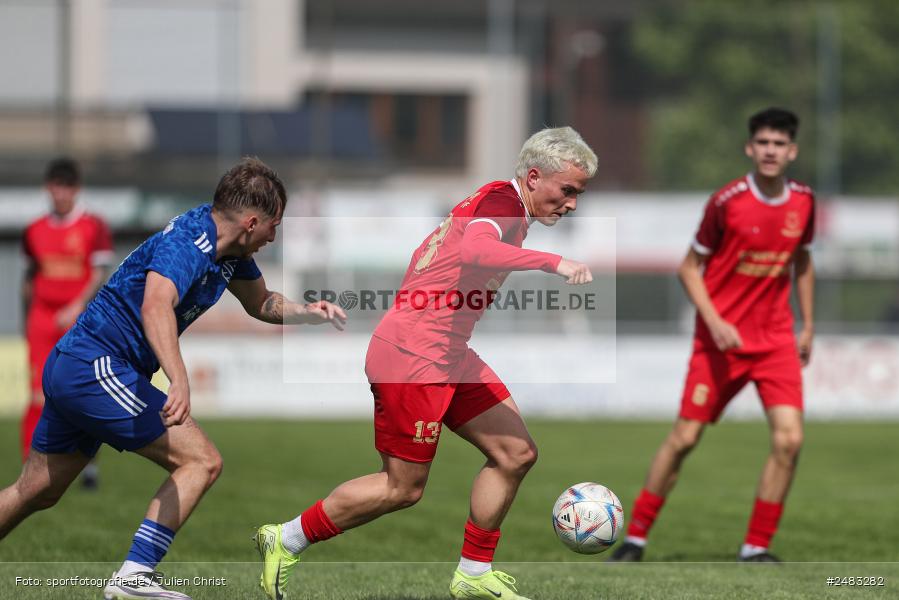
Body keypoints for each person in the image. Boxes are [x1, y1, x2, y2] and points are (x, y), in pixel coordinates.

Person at [254, 127, 598, 600]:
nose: (572, 203)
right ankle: (286, 537)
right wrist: (550, 262)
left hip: (447, 352)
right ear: (534, 177)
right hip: (414, 355)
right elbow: (477, 249)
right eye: (568, 191)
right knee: (402, 489)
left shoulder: (505, 206)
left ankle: (473, 575)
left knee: (515, 454)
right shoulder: (502, 202)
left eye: (578, 194)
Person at [0, 158, 346, 600]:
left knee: (35, 491)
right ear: (252, 222)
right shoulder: (189, 242)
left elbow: (261, 302)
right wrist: (178, 381)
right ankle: (134, 577)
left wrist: (307, 312)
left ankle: (133, 577)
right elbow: (155, 305)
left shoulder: (232, 251)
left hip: (78, 365)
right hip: (95, 366)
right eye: (274, 227)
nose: (274, 237)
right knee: (201, 460)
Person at [608, 108, 815, 563]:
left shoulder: (804, 202)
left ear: (792, 151)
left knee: (789, 440)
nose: (770, 151)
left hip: (776, 340)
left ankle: (756, 547)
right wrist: (716, 321)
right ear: (750, 147)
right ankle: (635, 538)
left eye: (779, 144)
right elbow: (688, 268)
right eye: (762, 142)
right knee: (684, 439)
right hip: (719, 344)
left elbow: (802, 262)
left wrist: (808, 324)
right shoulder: (727, 202)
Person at [22, 158, 114, 489]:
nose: (60, 193)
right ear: (48, 188)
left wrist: (77, 305)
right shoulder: (34, 230)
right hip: (42, 320)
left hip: (80, 320)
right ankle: (31, 471)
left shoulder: (93, 226)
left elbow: (99, 272)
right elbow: (29, 278)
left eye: (66, 187)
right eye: (55, 186)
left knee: (82, 393)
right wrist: (30, 318)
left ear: (76, 189)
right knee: (37, 395)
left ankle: (88, 467)